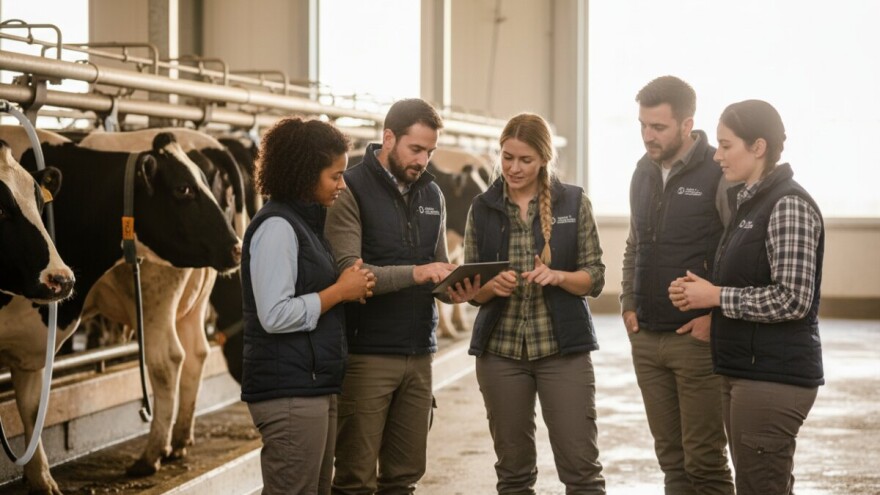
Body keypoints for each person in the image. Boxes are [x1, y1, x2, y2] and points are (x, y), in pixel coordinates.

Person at [669, 99, 825, 495]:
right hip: (748, 370)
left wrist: (716, 296)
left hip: (773, 377)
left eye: (726, 146)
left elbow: (792, 299)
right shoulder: (750, 201)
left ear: (758, 147)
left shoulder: (787, 204)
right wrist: (701, 296)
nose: (717, 156)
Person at [324, 98, 479, 494]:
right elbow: (351, 274)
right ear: (388, 138)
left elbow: (437, 268)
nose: (423, 160)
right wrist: (417, 273)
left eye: (430, 151)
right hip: (366, 354)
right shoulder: (349, 188)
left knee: (404, 477)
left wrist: (456, 289)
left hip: (419, 353)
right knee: (355, 479)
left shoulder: (432, 195)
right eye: (416, 149)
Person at [463, 112, 606, 494]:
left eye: (525, 160)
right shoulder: (483, 206)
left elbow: (595, 276)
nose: (513, 167)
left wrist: (558, 276)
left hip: (563, 351)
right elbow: (471, 290)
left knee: (581, 469)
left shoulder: (573, 201)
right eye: (507, 157)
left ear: (544, 158)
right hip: (500, 352)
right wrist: (491, 287)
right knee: (513, 473)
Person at [240, 117, 376, 495]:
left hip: (312, 384)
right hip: (289, 392)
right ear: (304, 174)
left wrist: (348, 286)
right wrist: (339, 292)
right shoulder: (277, 228)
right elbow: (275, 314)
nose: (342, 184)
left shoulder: (306, 224)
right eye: (335, 176)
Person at [620, 76, 735, 495]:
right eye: (643, 125)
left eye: (659, 127)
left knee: (704, 462)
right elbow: (635, 242)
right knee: (671, 461)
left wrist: (713, 317)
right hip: (647, 338)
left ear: (687, 125)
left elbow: (735, 251)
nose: (648, 136)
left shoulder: (717, 171)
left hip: (695, 339)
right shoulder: (642, 172)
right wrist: (628, 301)